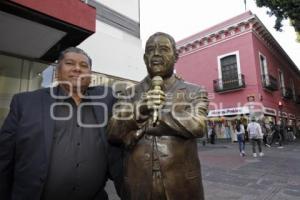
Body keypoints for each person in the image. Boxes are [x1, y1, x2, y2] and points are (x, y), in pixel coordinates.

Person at [0, 47, 123, 200]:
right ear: (58, 71)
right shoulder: (25, 103)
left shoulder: (107, 100)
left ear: (90, 74)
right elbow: (4, 158)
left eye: (84, 66)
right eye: (70, 63)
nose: (77, 69)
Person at [108, 32, 209, 200]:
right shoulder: (128, 93)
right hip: (137, 183)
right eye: (150, 50)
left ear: (175, 56)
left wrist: (148, 121)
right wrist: (141, 107)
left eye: (163, 49)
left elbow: (198, 125)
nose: (156, 54)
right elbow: (113, 132)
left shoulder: (195, 91)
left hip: (182, 185)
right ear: (145, 57)